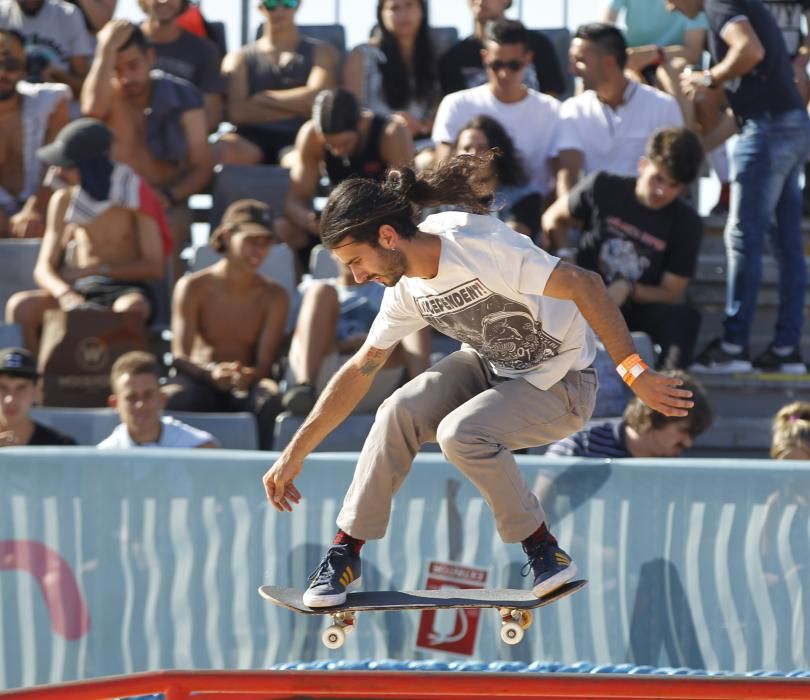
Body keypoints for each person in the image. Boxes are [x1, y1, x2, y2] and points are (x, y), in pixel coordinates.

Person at [261, 155, 694, 608]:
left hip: (561, 383)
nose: (358, 276)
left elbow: (586, 284)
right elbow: (358, 372)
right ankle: (346, 552)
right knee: (396, 411)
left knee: (460, 433)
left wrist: (634, 371)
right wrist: (295, 454)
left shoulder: (478, 246)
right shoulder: (406, 290)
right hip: (489, 366)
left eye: (357, 260)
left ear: (387, 236)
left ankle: (545, 551)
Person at [669, 0, 810, 374]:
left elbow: (749, 50)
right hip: (787, 125)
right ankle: (786, 350)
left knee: (744, 240)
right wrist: (693, 149)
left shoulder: (718, 3)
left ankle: (733, 347)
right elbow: (748, 105)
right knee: (788, 247)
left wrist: (708, 77)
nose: (667, 8)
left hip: (768, 130)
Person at [542, 127, 704, 369]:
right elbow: (551, 219)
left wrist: (628, 289)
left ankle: (667, 398)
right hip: (581, 298)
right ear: (642, 165)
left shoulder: (687, 222)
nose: (662, 191)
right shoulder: (604, 186)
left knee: (684, 319)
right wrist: (566, 256)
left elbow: (671, 291)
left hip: (634, 310)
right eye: (658, 178)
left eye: (673, 186)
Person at [4, 118, 167, 353]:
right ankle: (36, 381)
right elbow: (43, 268)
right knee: (21, 307)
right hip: (78, 290)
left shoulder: (134, 195)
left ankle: (117, 380)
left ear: (92, 167)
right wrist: (66, 295)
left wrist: (94, 270)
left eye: (68, 166)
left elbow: (154, 267)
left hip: (125, 289)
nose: (59, 172)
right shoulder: (63, 199)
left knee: (131, 309)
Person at [81, 20, 213, 277]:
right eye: (116, 69)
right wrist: (104, 50)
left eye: (133, 65)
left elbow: (202, 165)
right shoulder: (107, 96)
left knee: (171, 227)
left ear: (150, 57)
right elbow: (92, 111)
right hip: (116, 202)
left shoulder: (184, 96)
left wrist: (169, 196)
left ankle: (167, 310)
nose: (126, 77)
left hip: (168, 200)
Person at [164, 199, 288, 451]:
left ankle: (266, 474)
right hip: (198, 379)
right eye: (251, 240)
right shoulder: (192, 287)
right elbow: (179, 355)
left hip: (246, 386)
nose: (259, 251)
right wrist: (209, 373)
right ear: (228, 236)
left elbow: (265, 364)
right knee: (172, 397)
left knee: (270, 397)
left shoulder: (275, 296)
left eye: (265, 242)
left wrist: (247, 376)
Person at [282, 252, 431, 416]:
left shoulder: (388, 290)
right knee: (321, 291)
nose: (351, 259)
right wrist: (350, 344)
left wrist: (369, 345)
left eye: (356, 250)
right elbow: (294, 340)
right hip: (321, 369)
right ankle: (304, 387)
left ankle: (424, 389)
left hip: (370, 370)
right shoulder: (309, 288)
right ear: (332, 252)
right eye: (343, 251)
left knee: (408, 301)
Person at [281, 87, 413, 265]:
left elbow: (407, 198)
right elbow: (293, 202)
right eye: (329, 146)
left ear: (360, 124)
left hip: (382, 219)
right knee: (283, 229)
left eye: (344, 143)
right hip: (336, 222)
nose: (337, 151)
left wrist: (371, 225)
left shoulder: (391, 133)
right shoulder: (311, 136)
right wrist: (312, 222)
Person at [432, 19, 561, 199]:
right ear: (485, 57)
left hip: (530, 211)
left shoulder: (551, 109)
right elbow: (442, 168)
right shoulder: (456, 104)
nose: (504, 74)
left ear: (528, 59)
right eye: (496, 65)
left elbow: (560, 174)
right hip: (467, 209)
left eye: (514, 65)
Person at [554, 23, 684, 199]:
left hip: (648, 218)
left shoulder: (663, 106)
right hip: (593, 219)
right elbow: (567, 173)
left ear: (609, 62)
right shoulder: (572, 109)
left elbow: (675, 174)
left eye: (581, 61)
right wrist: (567, 215)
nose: (572, 69)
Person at [214, 0, 338, 166]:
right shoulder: (239, 58)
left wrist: (261, 98)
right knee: (219, 151)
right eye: (271, 4)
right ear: (260, 8)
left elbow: (318, 100)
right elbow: (236, 112)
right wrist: (298, 107)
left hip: (299, 137)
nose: (280, 10)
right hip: (249, 138)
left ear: (298, 5)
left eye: (288, 3)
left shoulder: (322, 53)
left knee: (303, 162)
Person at [542, 369, 712, 459]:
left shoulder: (672, 466)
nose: (688, 443)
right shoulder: (581, 445)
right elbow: (540, 508)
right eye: (684, 430)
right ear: (655, 417)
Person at [0, 28, 70, 239]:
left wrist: (36, 207)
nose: (1, 74)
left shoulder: (50, 103)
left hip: (44, 208)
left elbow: (60, 164)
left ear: (23, 69)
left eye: (10, 65)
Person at [343, 0, 440, 145]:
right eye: (394, 8)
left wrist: (426, 125)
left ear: (422, 10)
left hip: (426, 142)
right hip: (379, 142)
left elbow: (440, 104)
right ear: (381, 14)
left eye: (409, 5)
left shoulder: (435, 55)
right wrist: (390, 121)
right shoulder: (362, 55)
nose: (403, 14)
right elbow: (351, 111)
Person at [439, 0, 567, 97]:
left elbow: (552, 96)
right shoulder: (454, 58)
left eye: (514, 65)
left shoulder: (538, 45)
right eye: (495, 65)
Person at [98, 350, 218, 448]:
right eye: (131, 397)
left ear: (162, 399)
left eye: (148, 395)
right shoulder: (102, 459)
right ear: (114, 404)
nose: (141, 405)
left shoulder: (199, 448)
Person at [139, 0, 225, 132]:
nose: (164, 1)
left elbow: (212, 116)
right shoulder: (122, 41)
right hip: (131, 135)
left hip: (183, 140)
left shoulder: (204, 50)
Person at [452, 114, 543, 239]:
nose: (473, 155)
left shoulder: (524, 196)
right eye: (466, 148)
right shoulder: (444, 201)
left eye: (482, 148)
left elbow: (510, 242)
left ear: (498, 154)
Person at [0, 0, 93, 99]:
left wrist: (55, 74)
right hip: (12, 107)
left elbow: (85, 90)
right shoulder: (2, 12)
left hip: (61, 103)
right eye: (11, 64)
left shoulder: (68, 13)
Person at [602, 0, 709, 82]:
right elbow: (605, 30)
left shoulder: (692, 5)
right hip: (632, 59)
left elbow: (693, 51)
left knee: (673, 71)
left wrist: (653, 54)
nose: (670, 8)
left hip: (673, 60)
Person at [0, 346, 77, 446]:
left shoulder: (61, 447)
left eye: (21, 387)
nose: (10, 399)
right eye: (2, 387)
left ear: (37, 392)